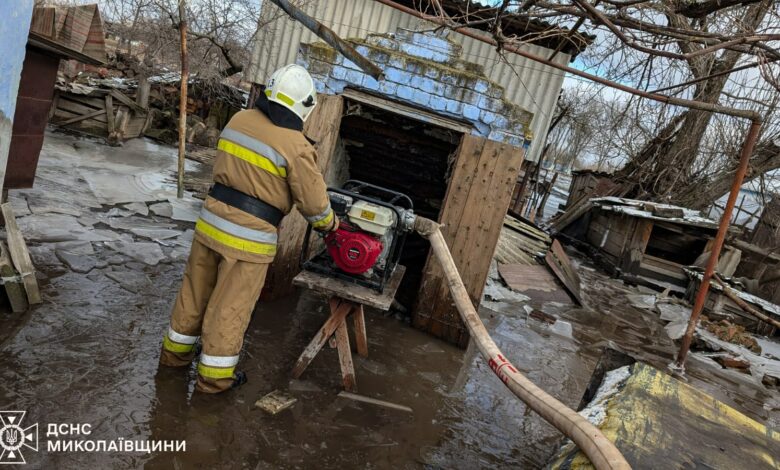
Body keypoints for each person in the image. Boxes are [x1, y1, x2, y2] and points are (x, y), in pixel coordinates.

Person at [159, 64, 338, 393]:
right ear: (304, 106)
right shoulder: (296, 145)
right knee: (230, 307)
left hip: (210, 224)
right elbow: (315, 206)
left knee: (193, 293)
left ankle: (174, 357)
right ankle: (213, 380)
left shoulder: (238, 120)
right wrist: (332, 226)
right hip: (248, 241)